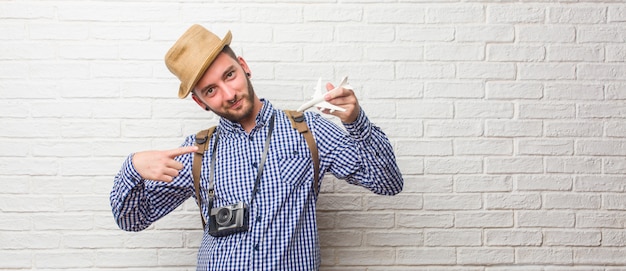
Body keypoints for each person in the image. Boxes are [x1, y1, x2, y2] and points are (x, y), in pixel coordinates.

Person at [110, 24, 403, 271]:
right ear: (201, 102)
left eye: (229, 75)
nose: (229, 94)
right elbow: (131, 220)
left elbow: (388, 183)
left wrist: (356, 122)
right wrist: (132, 167)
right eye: (210, 90)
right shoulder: (195, 153)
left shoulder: (308, 130)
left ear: (244, 66)